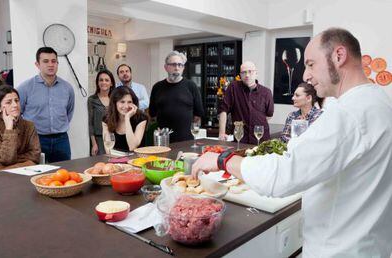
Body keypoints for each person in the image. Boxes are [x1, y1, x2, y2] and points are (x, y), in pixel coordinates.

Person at [192, 28, 392, 257]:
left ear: (339, 56)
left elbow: (282, 175)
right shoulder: (379, 101)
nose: (305, 75)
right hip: (370, 245)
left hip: (338, 249)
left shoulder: (349, 113)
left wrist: (223, 158)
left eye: (310, 64)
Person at [17, 47, 75, 163]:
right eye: (45, 61)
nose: (50, 65)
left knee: (64, 173)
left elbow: (69, 112)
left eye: (54, 61)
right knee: (36, 175)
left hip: (61, 140)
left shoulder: (67, 88)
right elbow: (18, 113)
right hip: (36, 139)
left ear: (57, 63)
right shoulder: (25, 88)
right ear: (37, 64)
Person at [0, 85, 41, 173]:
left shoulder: (29, 125)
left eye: (16, 101)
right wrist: (9, 129)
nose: (15, 105)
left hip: (24, 171)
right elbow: (6, 159)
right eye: (9, 102)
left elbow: (35, 155)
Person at [149, 51, 204, 143]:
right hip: (163, 140)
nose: (177, 68)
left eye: (180, 65)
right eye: (173, 64)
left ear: (183, 68)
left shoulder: (191, 86)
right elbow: (152, 114)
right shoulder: (157, 87)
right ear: (166, 67)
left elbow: (198, 115)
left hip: (186, 141)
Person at [218, 61, 274, 145]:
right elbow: (223, 110)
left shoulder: (266, 92)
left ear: (256, 73)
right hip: (240, 139)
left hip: (261, 140)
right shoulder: (233, 88)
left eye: (250, 71)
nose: (247, 75)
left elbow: (269, 115)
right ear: (240, 75)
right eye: (244, 72)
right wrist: (222, 132)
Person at [102, 86, 148, 152]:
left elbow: (132, 146)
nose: (126, 106)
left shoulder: (141, 118)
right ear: (115, 103)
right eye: (122, 102)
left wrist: (127, 118)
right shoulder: (106, 119)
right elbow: (108, 150)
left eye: (129, 102)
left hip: (137, 160)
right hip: (116, 160)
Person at [88, 70, 115, 156]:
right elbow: (90, 123)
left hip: (114, 138)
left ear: (111, 83)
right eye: (101, 80)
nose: (104, 82)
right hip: (99, 139)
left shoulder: (115, 99)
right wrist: (94, 144)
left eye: (107, 80)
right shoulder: (92, 99)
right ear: (97, 82)